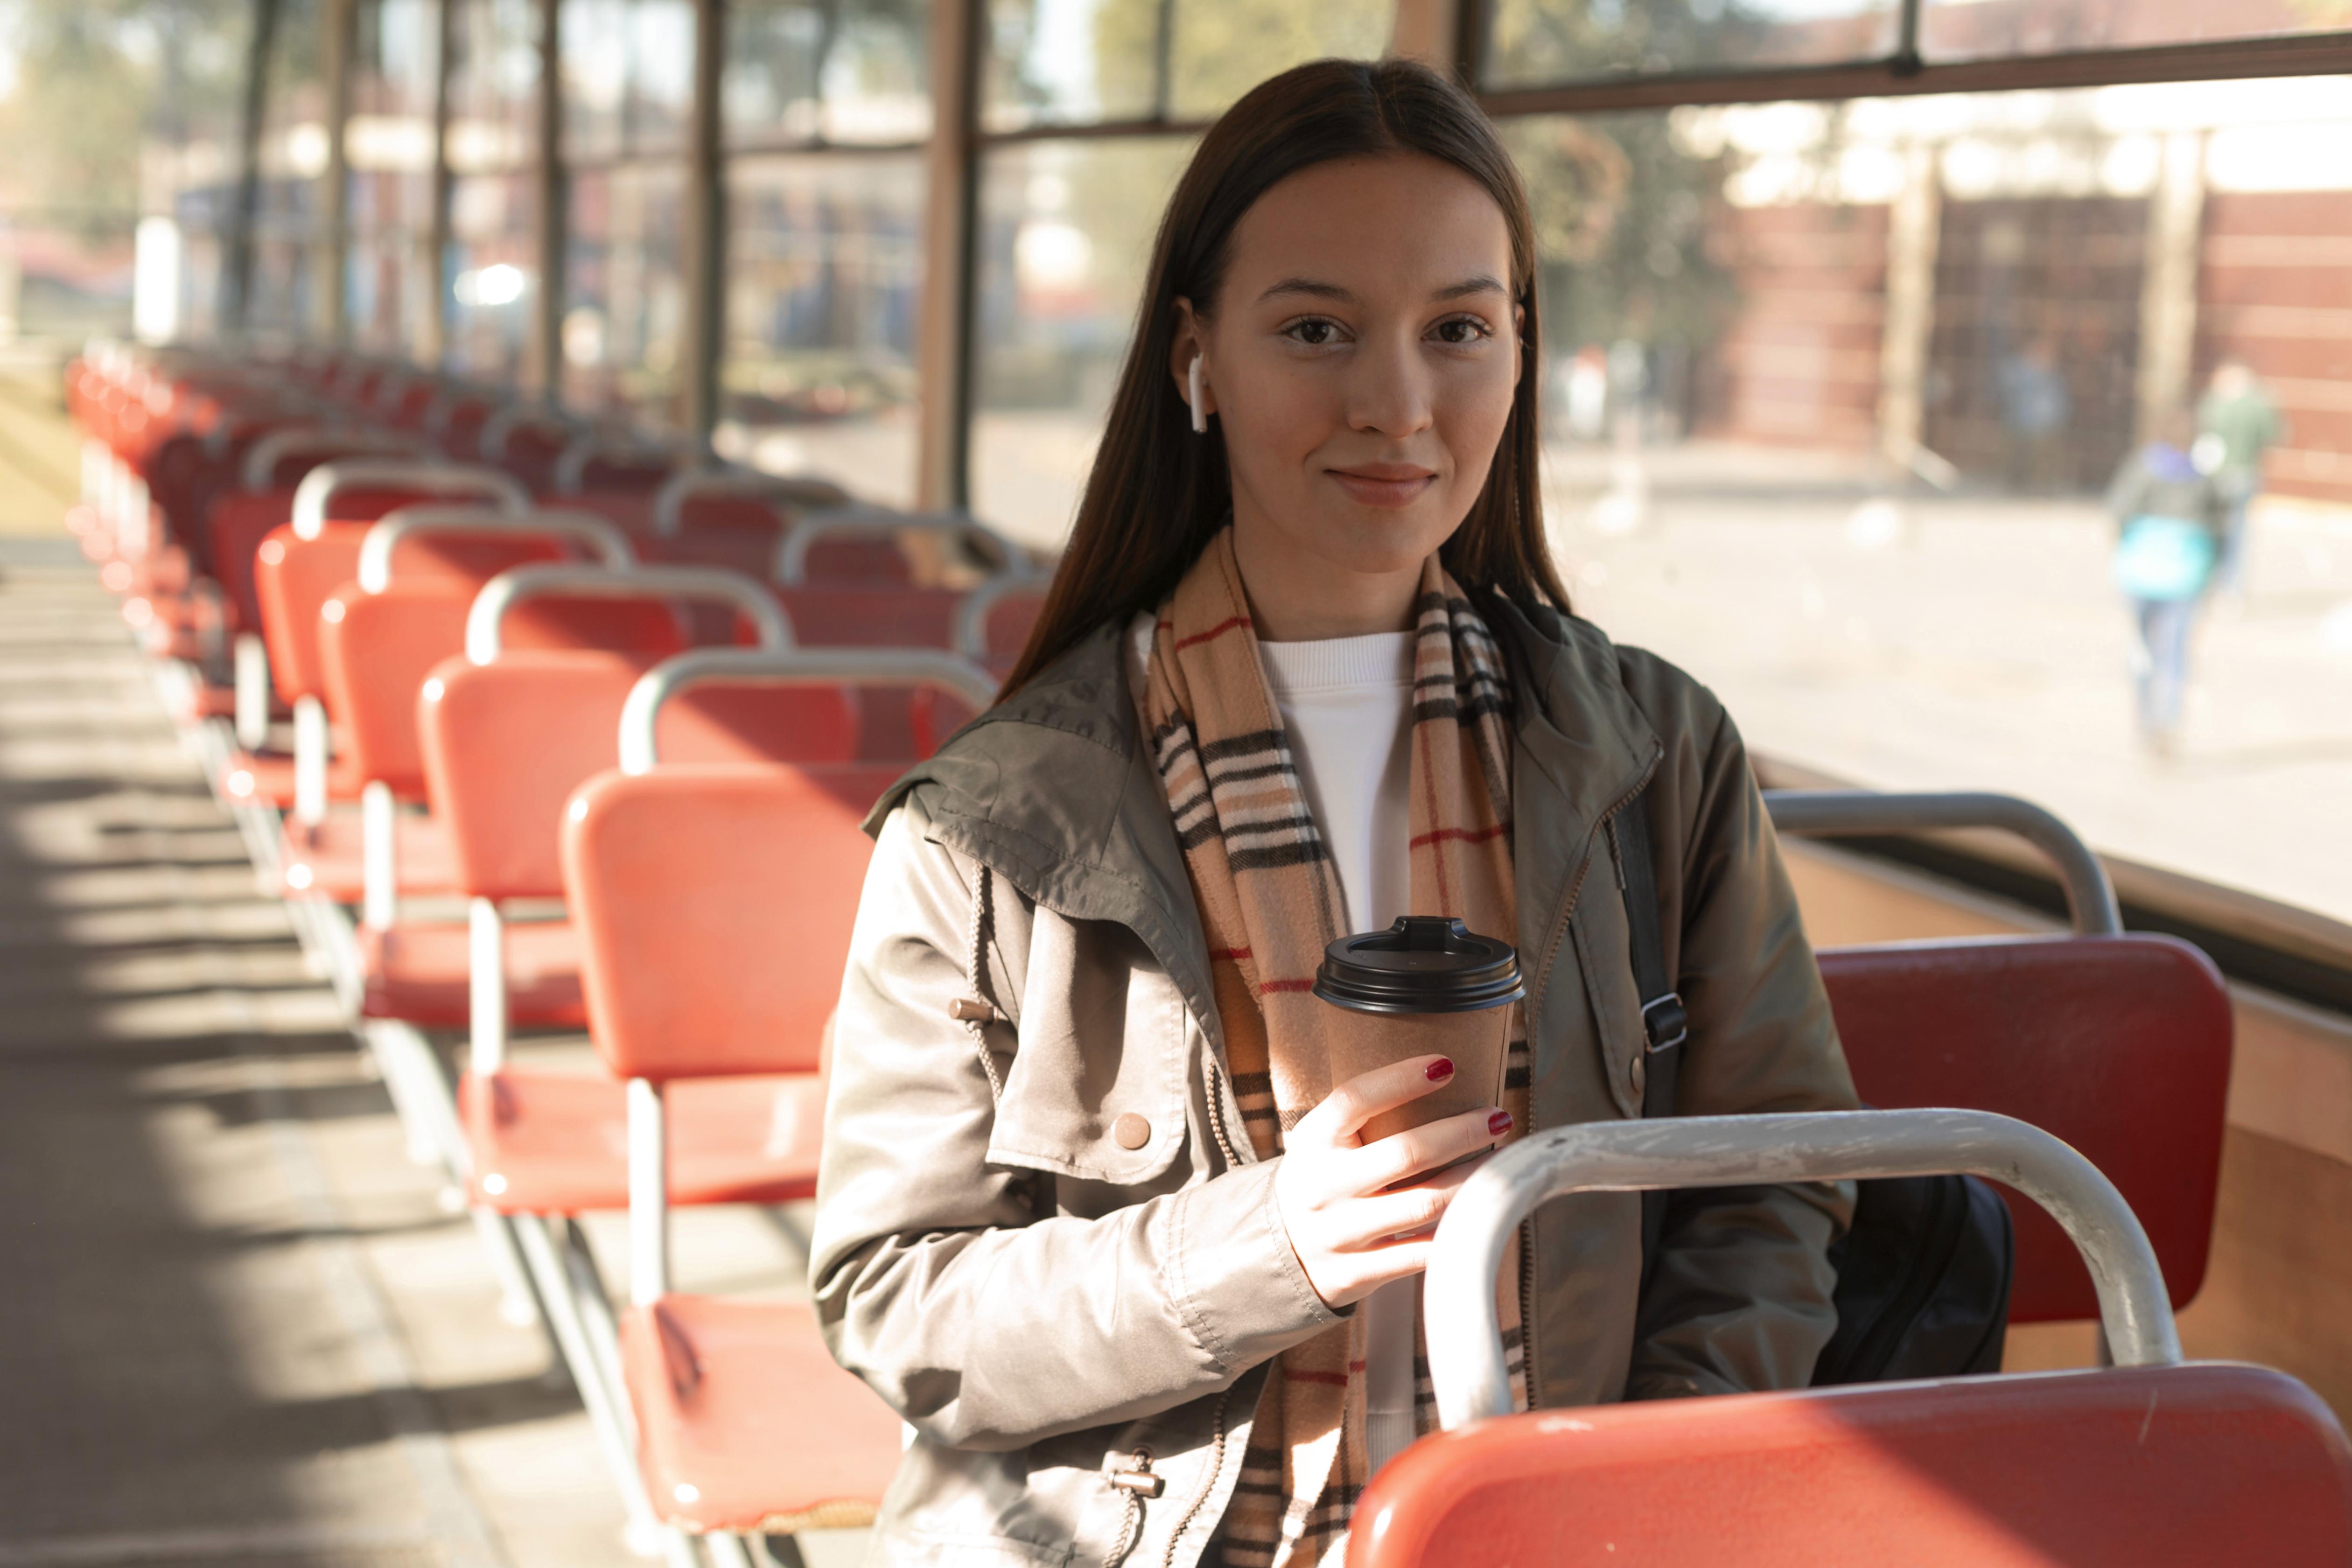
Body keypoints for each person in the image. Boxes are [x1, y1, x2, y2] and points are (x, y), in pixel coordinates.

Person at [811, 58, 1857, 1568]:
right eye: (1316, 331)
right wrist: (1271, 1250)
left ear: (1520, 352)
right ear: (1197, 357)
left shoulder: (1659, 759)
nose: (1397, 404)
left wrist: (1617, 1500)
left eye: (1459, 331)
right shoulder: (996, 824)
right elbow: (898, 1301)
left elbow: (1774, 1185)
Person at [2108, 407, 2230, 754]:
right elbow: (2219, 528)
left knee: (2143, 649)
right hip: (2185, 575)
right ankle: (2169, 719)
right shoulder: (2203, 478)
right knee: (2176, 651)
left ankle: (2146, 719)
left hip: (2141, 573)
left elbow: (2119, 511)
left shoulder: (2143, 468)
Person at [2196, 357, 2285, 594]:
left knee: (2210, 527)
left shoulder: (2214, 402)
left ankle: (2205, 579)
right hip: (2245, 473)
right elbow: (2274, 436)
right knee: (2237, 533)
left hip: (2214, 474)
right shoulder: (2259, 405)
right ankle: (2231, 588)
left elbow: (2198, 430)